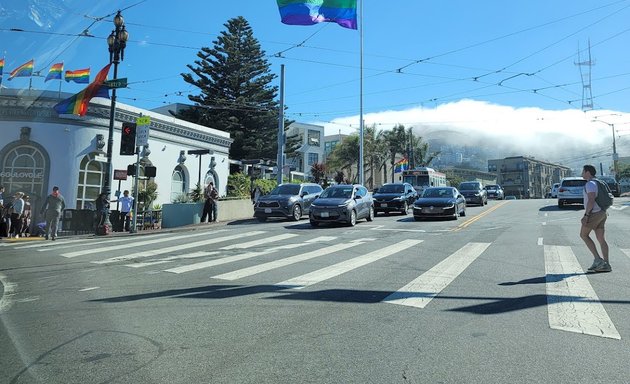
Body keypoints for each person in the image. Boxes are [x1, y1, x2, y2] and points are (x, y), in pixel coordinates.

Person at [580, 164, 611, 273]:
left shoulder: (590, 184)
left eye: (583, 171)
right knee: (601, 239)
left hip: (594, 213)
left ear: (588, 172)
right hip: (602, 212)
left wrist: (586, 215)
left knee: (583, 235)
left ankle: (598, 260)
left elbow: (591, 200)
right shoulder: (598, 182)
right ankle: (606, 264)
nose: (582, 173)